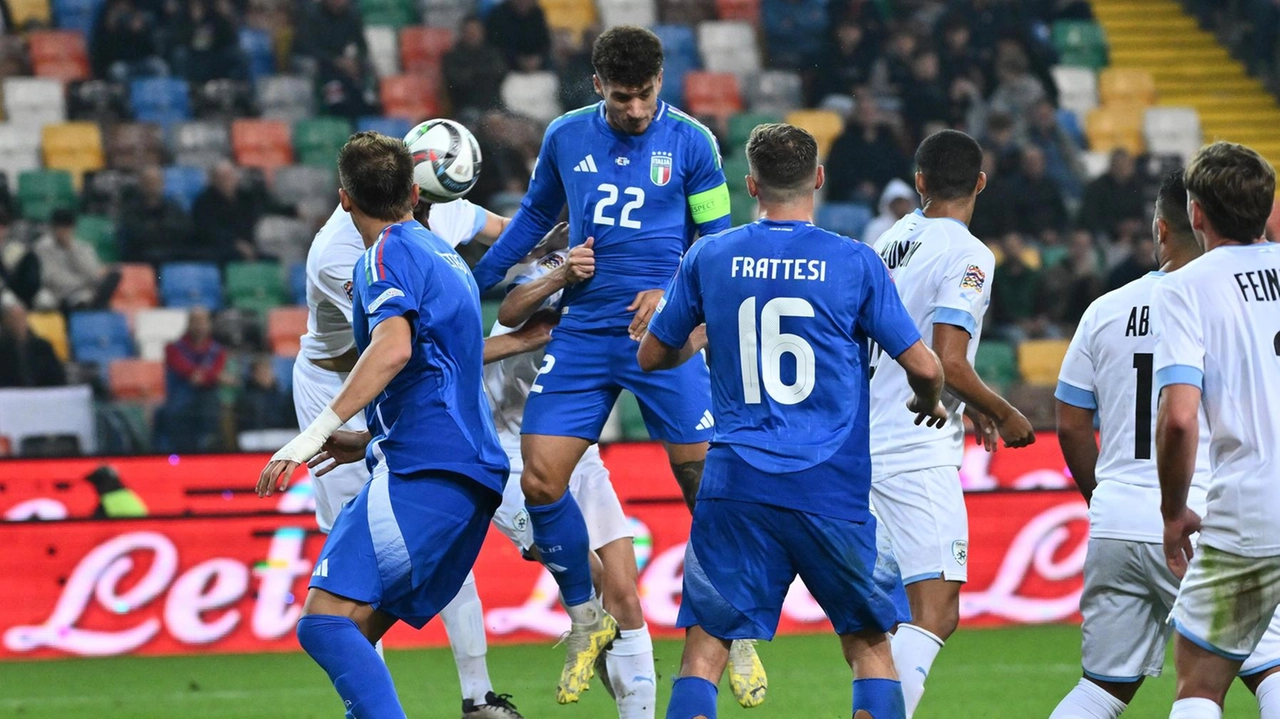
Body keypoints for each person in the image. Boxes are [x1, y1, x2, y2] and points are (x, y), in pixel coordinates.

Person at [466, 25, 754, 706]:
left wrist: (676, 286)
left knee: (701, 481)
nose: (636, 109)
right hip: (586, 331)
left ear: (662, 82)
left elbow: (717, 238)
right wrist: (475, 278)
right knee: (540, 480)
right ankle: (587, 617)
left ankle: (733, 625)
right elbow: (535, 215)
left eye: (646, 94)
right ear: (598, 85)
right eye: (623, 97)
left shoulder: (692, 142)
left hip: (663, 335)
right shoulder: (568, 136)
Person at [637, 122, 949, 719]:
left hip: (736, 483)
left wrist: (702, 335)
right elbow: (925, 365)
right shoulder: (853, 261)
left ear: (749, 183)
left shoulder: (710, 255)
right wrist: (928, 398)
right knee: (868, 645)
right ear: (820, 180)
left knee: (706, 647)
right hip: (830, 485)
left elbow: (652, 356)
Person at [255, 131, 509, 718]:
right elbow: (440, 371)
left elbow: (392, 348)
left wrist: (314, 431)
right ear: (416, 191)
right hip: (467, 472)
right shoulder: (440, 252)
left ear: (345, 199)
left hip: (425, 471)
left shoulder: (380, 256)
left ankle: (477, 697)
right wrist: (367, 439)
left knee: (323, 625)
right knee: (355, 631)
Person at [1051, 168, 1280, 719]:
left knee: (1102, 691)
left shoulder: (1104, 310)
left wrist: (1103, 496)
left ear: (1160, 229)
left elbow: (1070, 421)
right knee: (1264, 670)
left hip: (1115, 523)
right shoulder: (1228, 301)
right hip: (1203, 518)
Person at [867, 129, 1037, 718]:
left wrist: (971, 405)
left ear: (919, 183)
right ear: (980, 184)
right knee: (936, 612)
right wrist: (1003, 410)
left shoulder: (888, 240)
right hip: (915, 448)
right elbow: (949, 361)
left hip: (864, 442)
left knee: (886, 620)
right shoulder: (969, 253)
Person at [486, 239, 657, 718]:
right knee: (593, 576)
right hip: (513, 461)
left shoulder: (635, 294)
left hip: (580, 453)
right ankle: (587, 627)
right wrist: (560, 281)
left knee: (623, 594)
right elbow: (513, 306)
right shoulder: (560, 266)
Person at [1153, 141, 1280, 719]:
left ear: (1195, 213)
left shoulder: (1186, 288)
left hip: (1252, 511)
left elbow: (1179, 418)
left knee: (1200, 684)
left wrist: (1173, 510)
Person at [159, 306, 225, 453]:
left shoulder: (217, 350)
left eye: (203, 322)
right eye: (196, 322)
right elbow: (184, 369)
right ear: (189, 324)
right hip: (181, 397)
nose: (199, 326)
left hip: (207, 398)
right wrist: (208, 376)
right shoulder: (174, 348)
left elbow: (215, 370)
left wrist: (204, 376)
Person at [33, 209, 121, 311]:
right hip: (53, 292)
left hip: (78, 293)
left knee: (85, 299)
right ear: (53, 228)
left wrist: (71, 249)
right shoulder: (42, 248)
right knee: (43, 299)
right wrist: (80, 282)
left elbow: (93, 275)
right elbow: (48, 277)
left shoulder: (83, 248)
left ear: (72, 228)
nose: (62, 232)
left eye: (66, 228)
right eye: (59, 228)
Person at [120, 165, 194, 266]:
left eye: (156, 181)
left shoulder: (175, 208)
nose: (152, 186)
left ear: (163, 183)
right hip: (141, 261)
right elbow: (134, 238)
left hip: (172, 260)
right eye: (148, 182)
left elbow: (183, 233)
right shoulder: (130, 211)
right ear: (141, 184)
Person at [191, 161, 261, 263]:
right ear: (214, 180)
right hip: (218, 247)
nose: (229, 180)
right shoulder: (203, 202)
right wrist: (236, 243)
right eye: (223, 177)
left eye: (231, 176)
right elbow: (208, 229)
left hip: (247, 243)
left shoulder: (246, 198)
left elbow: (253, 220)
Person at [444, 15, 509, 115]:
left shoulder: (493, 52)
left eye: (476, 31)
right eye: (469, 31)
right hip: (466, 107)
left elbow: (500, 73)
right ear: (462, 33)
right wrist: (484, 73)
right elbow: (457, 81)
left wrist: (474, 73)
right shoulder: (452, 57)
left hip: (494, 105)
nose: (473, 35)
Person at [0, 303, 65, 388]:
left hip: (40, 393)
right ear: (6, 322)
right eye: (13, 319)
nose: (18, 323)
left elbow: (56, 375)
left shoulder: (42, 346)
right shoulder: (2, 349)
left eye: (21, 319)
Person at [236, 356, 294, 432]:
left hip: (281, 435)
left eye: (268, 371)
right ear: (254, 374)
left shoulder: (283, 396)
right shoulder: (245, 398)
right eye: (261, 372)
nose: (265, 375)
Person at [864, 178, 918, 245]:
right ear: (888, 204)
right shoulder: (876, 227)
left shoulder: (918, 225)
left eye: (903, 202)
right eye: (896, 203)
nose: (900, 206)